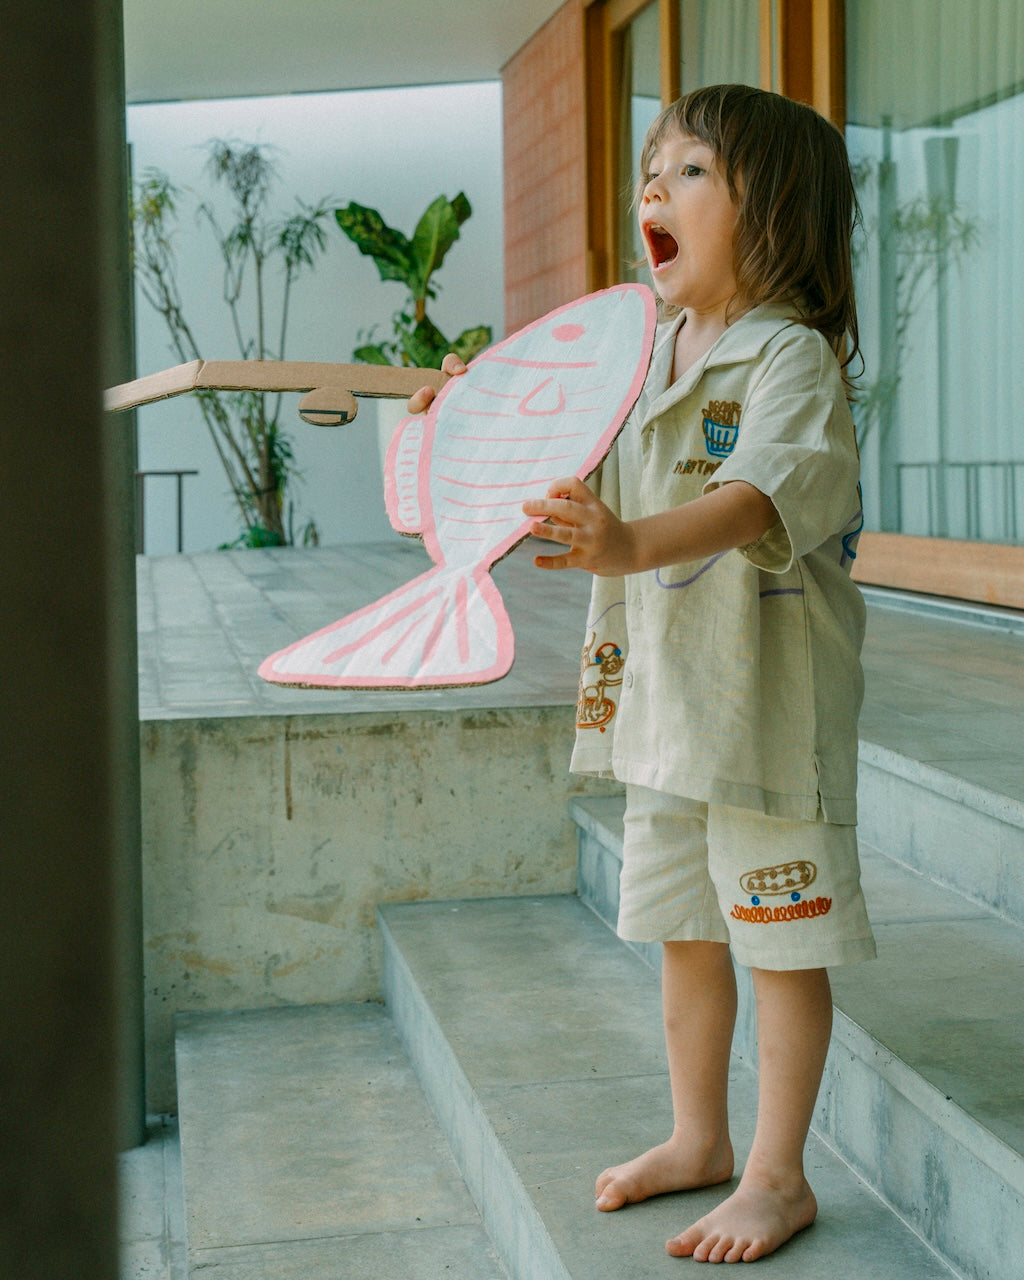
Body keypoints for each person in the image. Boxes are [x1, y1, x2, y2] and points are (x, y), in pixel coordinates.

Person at [409, 83, 876, 1264]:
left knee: (779, 941)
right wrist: (471, 417)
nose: (651, 190)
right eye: (649, 172)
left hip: (765, 714)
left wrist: (625, 544)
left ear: (775, 213)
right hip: (667, 704)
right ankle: (698, 1135)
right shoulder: (642, 354)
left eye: (690, 172)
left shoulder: (789, 359)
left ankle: (777, 1174)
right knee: (685, 927)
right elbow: (571, 475)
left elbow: (752, 499)